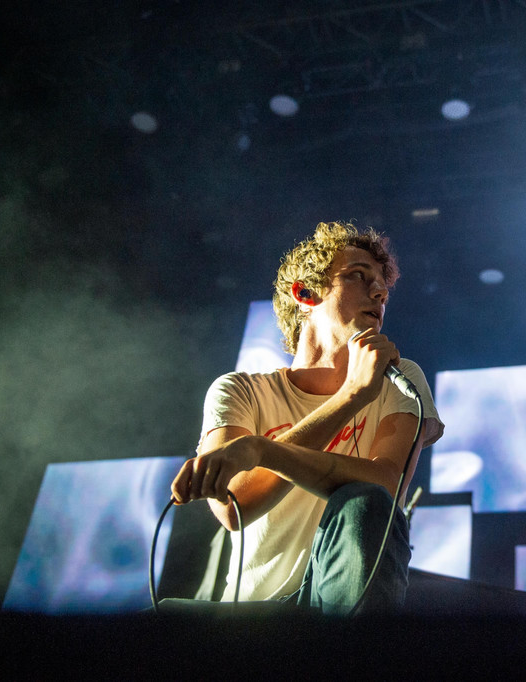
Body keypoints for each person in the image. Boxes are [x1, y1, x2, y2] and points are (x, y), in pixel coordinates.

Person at [170, 221, 444, 614]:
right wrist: (350, 397)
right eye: (358, 276)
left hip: (335, 606)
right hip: (253, 616)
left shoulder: (400, 378)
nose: (379, 292)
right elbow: (235, 506)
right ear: (305, 293)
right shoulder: (241, 390)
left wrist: (262, 450)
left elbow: (384, 487)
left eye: (382, 286)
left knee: (365, 502)